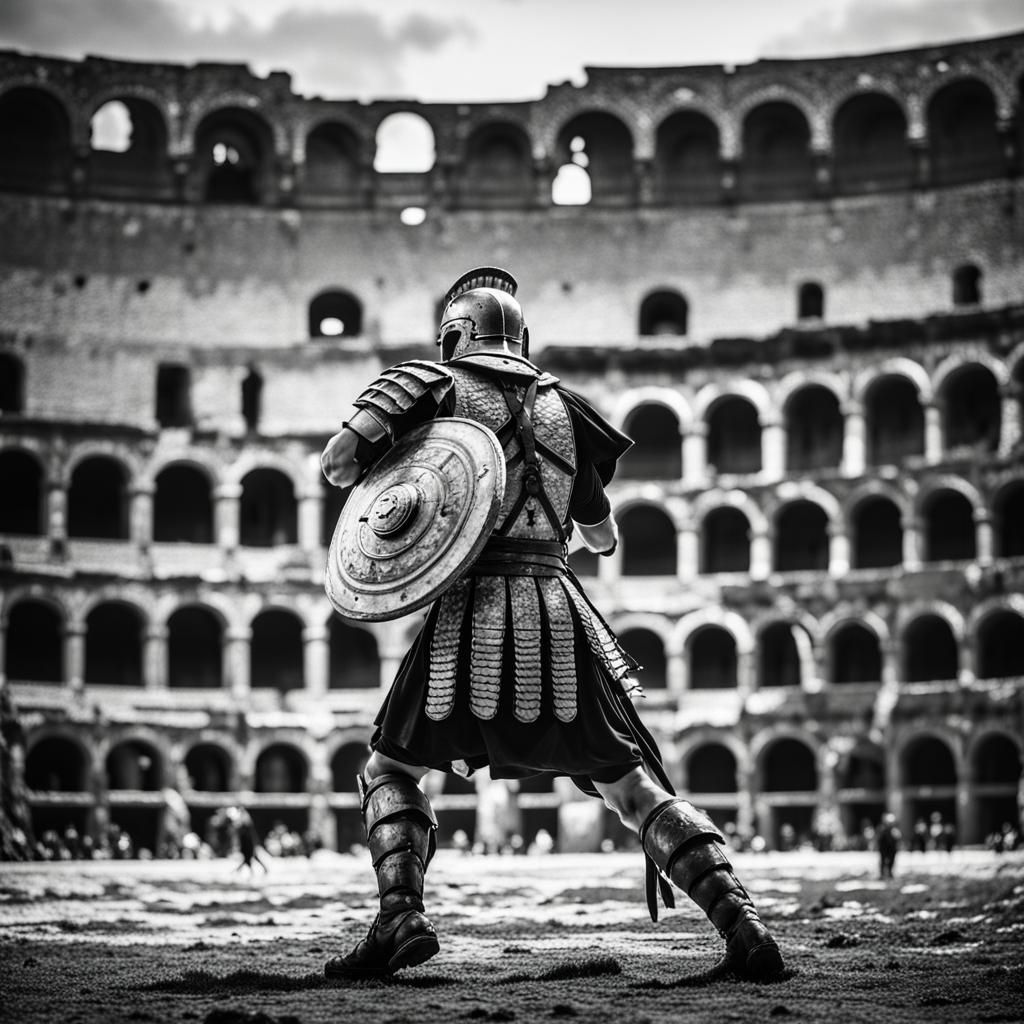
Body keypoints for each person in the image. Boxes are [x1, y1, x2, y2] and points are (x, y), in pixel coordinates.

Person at [319, 267, 785, 983]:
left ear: (455, 335)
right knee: (634, 790)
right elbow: (602, 537)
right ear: (522, 337)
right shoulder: (567, 408)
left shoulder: (432, 386)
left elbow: (338, 462)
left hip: (466, 621)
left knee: (390, 769)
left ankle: (400, 917)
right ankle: (745, 928)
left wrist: (412, 483)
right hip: (559, 614)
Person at [875, 812, 900, 879]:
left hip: (892, 848)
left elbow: (897, 838)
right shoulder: (881, 829)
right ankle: (882, 874)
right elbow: (878, 838)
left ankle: (890, 873)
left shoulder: (894, 830)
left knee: (891, 861)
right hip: (884, 848)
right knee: (883, 861)